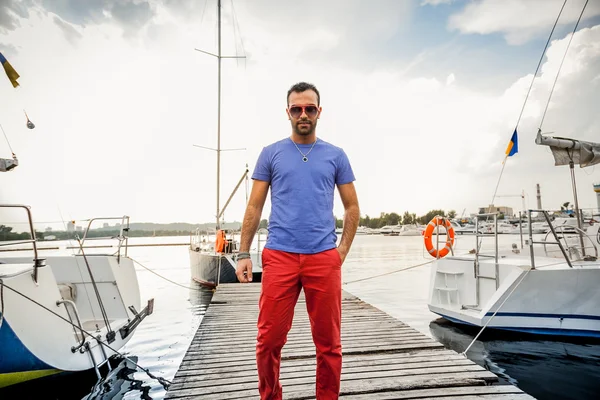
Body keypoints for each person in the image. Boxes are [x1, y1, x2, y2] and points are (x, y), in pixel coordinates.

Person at [236, 82, 359, 400]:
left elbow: (352, 207)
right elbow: (254, 206)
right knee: (268, 340)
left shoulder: (336, 156)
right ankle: (270, 396)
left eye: (309, 108)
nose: (303, 114)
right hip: (280, 256)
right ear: (288, 112)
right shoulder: (271, 153)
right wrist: (243, 252)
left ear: (319, 112)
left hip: (323, 257)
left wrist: (341, 250)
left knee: (329, 344)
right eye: (296, 108)